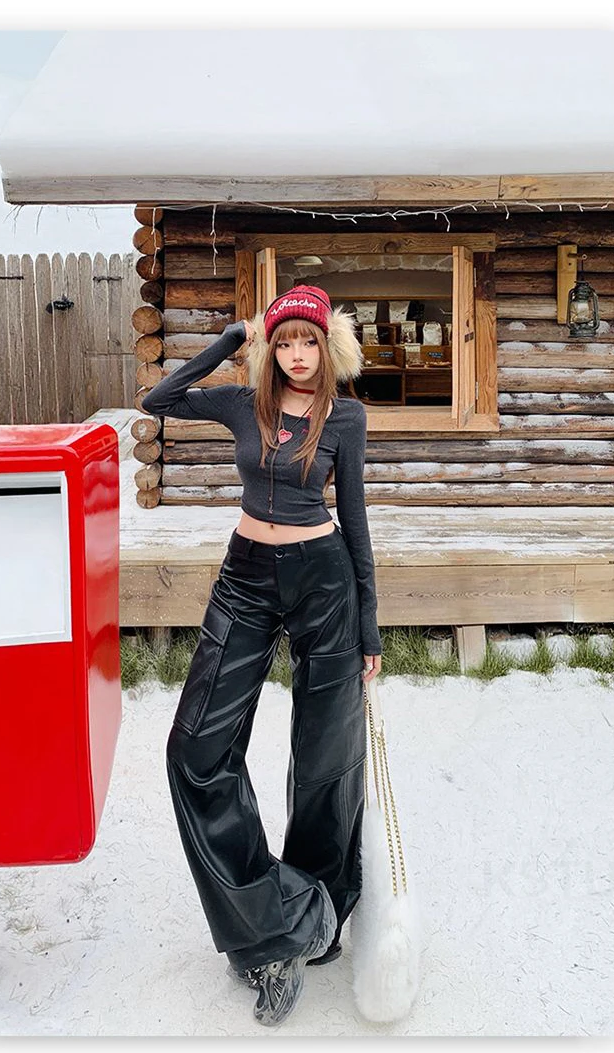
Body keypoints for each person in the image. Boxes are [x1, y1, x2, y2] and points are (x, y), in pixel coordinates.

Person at [141, 285, 383, 1027]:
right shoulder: (244, 405)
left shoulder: (346, 418)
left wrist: (370, 626)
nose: (298, 355)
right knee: (195, 749)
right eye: (286, 342)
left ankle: (317, 918)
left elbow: (355, 519)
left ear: (328, 346)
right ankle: (276, 913)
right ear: (271, 348)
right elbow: (159, 399)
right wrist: (229, 340)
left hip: (324, 581)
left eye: (309, 340)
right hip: (245, 577)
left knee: (325, 757)